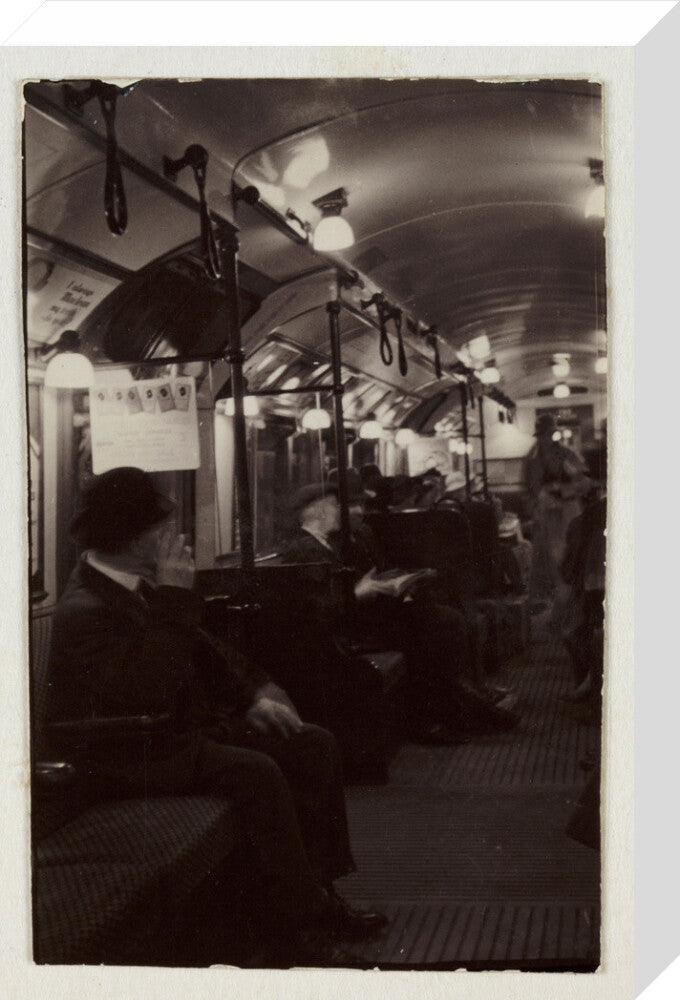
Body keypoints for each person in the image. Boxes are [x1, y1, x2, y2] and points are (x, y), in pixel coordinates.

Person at [45, 467, 387, 963]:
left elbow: (205, 652)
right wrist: (176, 596)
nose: (173, 539)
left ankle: (320, 895)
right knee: (256, 770)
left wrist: (251, 698)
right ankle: (294, 925)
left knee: (312, 743)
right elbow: (148, 689)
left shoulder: (131, 586)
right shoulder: (87, 607)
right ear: (133, 538)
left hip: (167, 736)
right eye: (161, 531)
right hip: (124, 752)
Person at [282, 482, 518, 744]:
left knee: (435, 623)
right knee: (430, 633)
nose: (340, 510)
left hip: (357, 623)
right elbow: (320, 607)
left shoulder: (325, 545)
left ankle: (457, 711)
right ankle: (437, 719)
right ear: (318, 511)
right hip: (344, 635)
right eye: (334, 505)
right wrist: (360, 592)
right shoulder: (305, 551)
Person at [524, 413, 590, 613]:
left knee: (568, 556)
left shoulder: (568, 454)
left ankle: (571, 606)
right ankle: (558, 608)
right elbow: (529, 490)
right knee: (548, 561)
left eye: (548, 434)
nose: (544, 439)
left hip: (568, 513)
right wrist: (537, 505)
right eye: (541, 435)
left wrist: (563, 491)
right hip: (546, 517)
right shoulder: (532, 459)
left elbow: (585, 483)